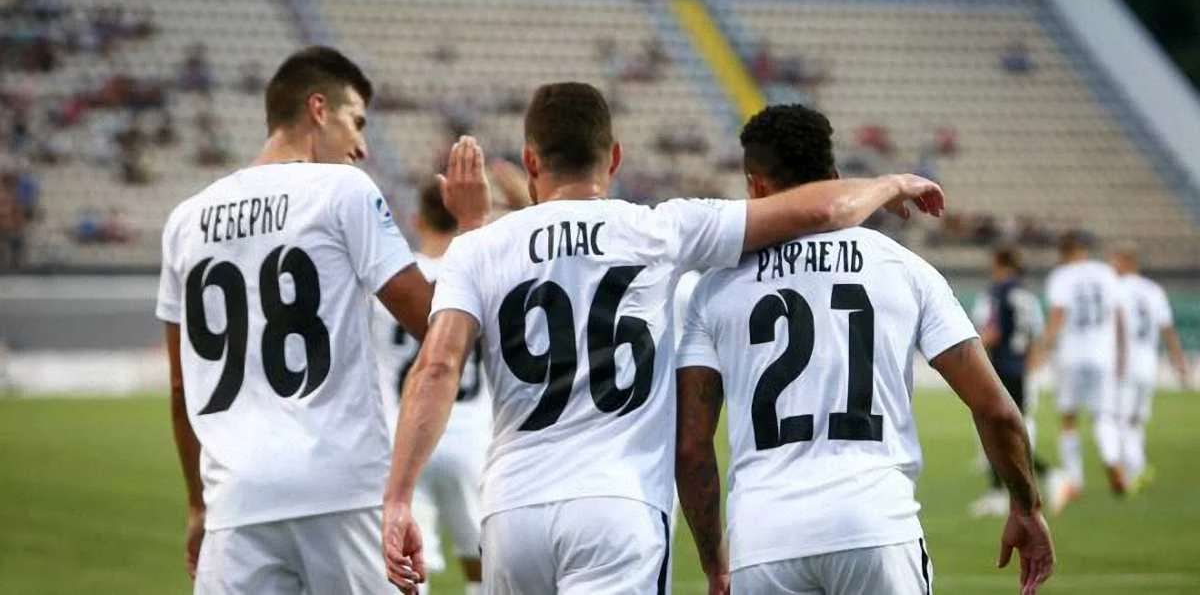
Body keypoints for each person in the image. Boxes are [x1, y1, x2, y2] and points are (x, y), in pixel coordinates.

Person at [381, 82, 947, 594]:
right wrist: (890, 182)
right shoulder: (659, 228)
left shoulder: (478, 248)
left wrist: (399, 498)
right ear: (615, 157)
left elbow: (437, 366)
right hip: (617, 504)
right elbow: (823, 210)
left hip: (512, 508)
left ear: (531, 159)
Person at [675, 104, 1054, 595]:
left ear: (755, 186)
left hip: (763, 537)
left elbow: (692, 448)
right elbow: (996, 409)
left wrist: (714, 562)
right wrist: (1026, 507)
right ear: (836, 178)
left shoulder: (713, 289)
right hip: (875, 524)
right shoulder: (905, 269)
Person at [155, 46, 482, 594]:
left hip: (235, 501)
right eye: (357, 121)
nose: (362, 146)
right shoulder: (342, 190)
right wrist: (472, 230)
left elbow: (180, 385)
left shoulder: (185, 221)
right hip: (341, 488)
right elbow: (432, 320)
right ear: (318, 109)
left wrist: (197, 505)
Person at [372, 180, 488, 595]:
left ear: (417, 219)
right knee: (484, 562)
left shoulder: (392, 283)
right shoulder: (479, 275)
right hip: (470, 435)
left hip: (404, 437)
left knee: (405, 564)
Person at [1030, 231, 1128, 510]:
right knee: (1103, 415)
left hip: (1071, 354)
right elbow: (1118, 315)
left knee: (1068, 417)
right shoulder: (1106, 273)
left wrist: (1042, 349)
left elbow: (1058, 315)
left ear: (1064, 252)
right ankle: (1113, 461)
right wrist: (1121, 352)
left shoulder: (1061, 277)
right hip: (1102, 354)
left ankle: (1074, 480)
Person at [969, 247, 1052, 517]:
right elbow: (1037, 336)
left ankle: (1035, 479)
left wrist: (970, 354)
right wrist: (1032, 365)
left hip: (1000, 367)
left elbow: (992, 331)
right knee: (1014, 428)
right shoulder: (1027, 295)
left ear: (1000, 264)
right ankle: (1032, 482)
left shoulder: (998, 291)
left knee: (996, 430)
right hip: (1020, 370)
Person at [1110, 243, 1189, 492]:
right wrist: (1178, 360)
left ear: (1125, 261)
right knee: (1136, 420)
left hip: (1124, 363)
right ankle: (1137, 467)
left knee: (1120, 419)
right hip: (1148, 364)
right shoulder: (1154, 290)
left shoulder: (1116, 288)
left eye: (1115, 260)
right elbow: (1168, 329)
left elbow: (1114, 326)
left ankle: (1135, 467)